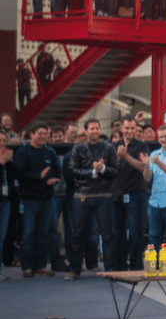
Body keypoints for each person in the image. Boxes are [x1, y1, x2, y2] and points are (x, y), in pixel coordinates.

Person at [66, 119, 119, 280]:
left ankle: (110, 269)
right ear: (86, 131)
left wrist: (102, 168)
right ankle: (74, 270)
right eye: (92, 128)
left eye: (97, 128)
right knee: (77, 233)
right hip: (83, 195)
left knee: (107, 234)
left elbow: (116, 171)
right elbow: (73, 170)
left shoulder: (109, 148)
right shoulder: (78, 148)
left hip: (104, 196)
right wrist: (93, 172)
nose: (95, 131)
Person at [14, 124, 62, 277]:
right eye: (39, 133)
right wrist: (39, 177)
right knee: (28, 233)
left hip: (47, 199)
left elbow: (57, 171)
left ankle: (40, 266)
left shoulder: (50, 152)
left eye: (45, 133)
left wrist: (53, 180)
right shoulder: (22, 152)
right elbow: (20, 175)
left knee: (43, 233)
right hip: (29, 200)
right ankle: (27, 266)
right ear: (31, 134)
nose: (43, 136)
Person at [113, 116, 149, 271]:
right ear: (121, 128)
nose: (129, 131)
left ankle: (135, 267)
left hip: (136, 194)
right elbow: (108, 167)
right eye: (126, 128)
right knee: (118, 232)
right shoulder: (113, 146)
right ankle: (120, 267)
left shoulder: (142, 146)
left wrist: (126, 156)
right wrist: (117, 156)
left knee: (136, 232)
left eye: (132, 128)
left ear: (136, 129)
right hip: (117, 195)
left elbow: (143, 167)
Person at [143, 125, 166, 253]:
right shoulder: (155, 154)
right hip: (154, 202)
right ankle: (155, 267)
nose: (164, 139)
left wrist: (158, 163)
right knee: (153, 237)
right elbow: (148, 178)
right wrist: (147, 166)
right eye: (161, 137)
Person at [0, 130, 17, 281]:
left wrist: (9, 162)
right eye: (0, 141)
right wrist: (1, 163)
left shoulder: (8, 160)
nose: (2, 144)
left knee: (2, 236)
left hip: (6, 201)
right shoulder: (3, 160)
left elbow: (14, 178)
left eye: (4, 141)